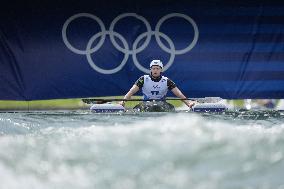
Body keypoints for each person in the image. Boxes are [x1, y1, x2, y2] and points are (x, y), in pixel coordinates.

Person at [119, 60, 195, 108]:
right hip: (146, 104)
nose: (155, 70)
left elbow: (179, 94)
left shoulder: (167, 81)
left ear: (161, 70)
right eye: (153, 68)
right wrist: (123, 102)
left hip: (162, 104)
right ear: (150, 69)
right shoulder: (143, 79)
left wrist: (188, 103)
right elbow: (131, 91)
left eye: (157, 68)